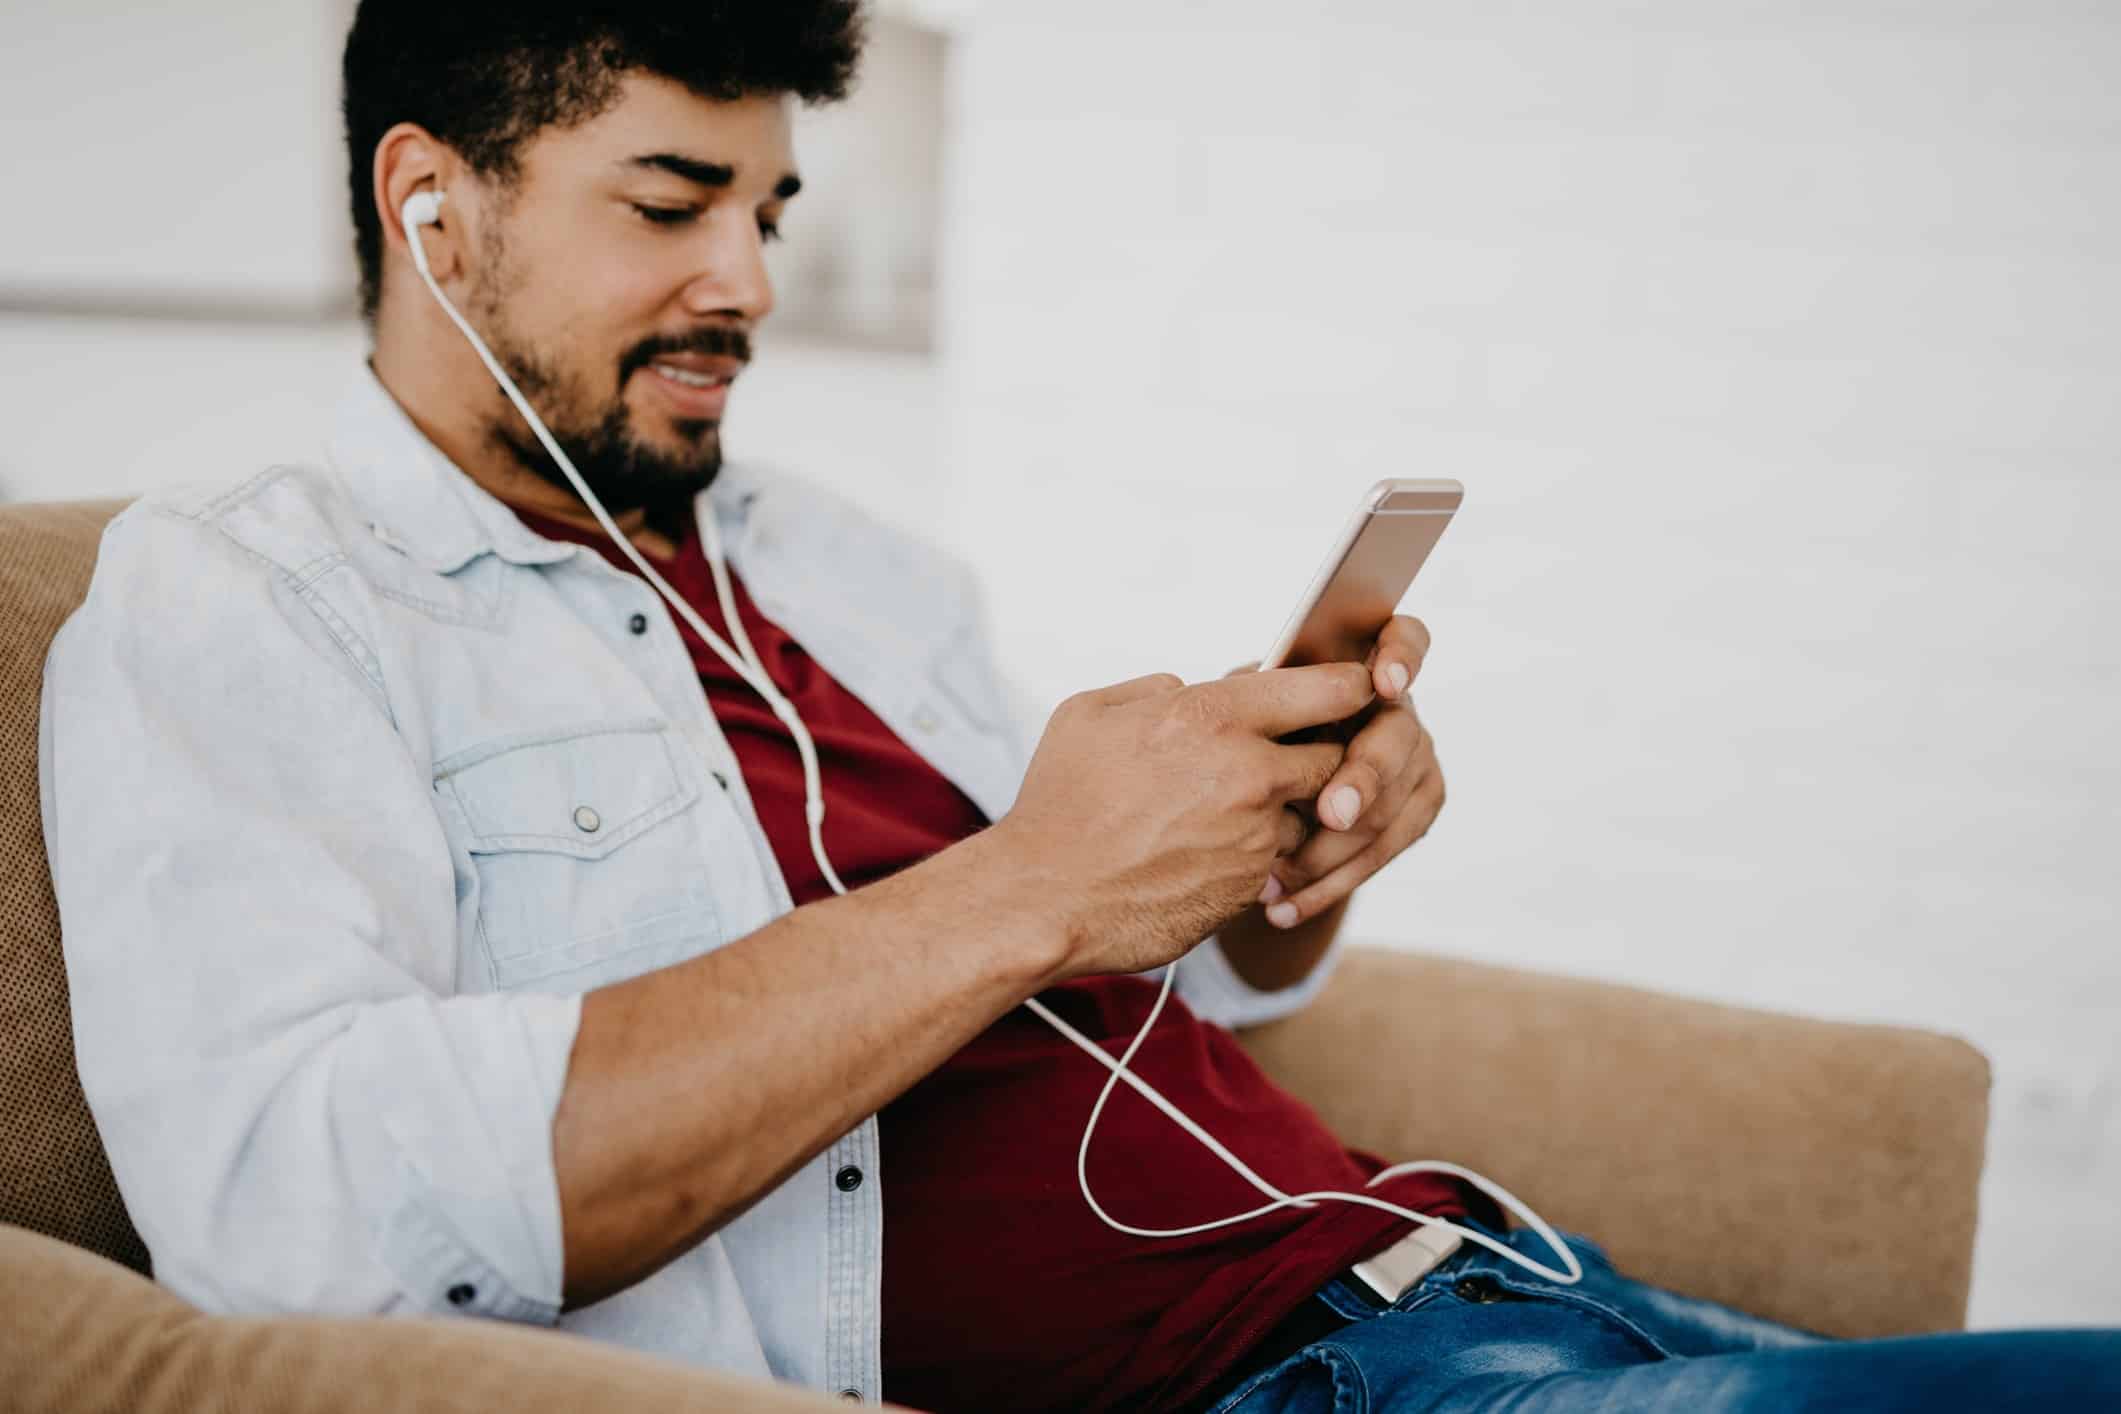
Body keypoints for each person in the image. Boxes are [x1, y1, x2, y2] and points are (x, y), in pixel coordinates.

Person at [37, 4, 2119, 1411]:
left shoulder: (836, 565)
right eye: (669, 205)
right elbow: (297, 1203)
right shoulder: (245, 598)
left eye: (765, 213)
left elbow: (1135, 1026)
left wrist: (1272, 871)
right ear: (436, 205)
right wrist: (1026, 878)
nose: (748, 279)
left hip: (1485, 1276)